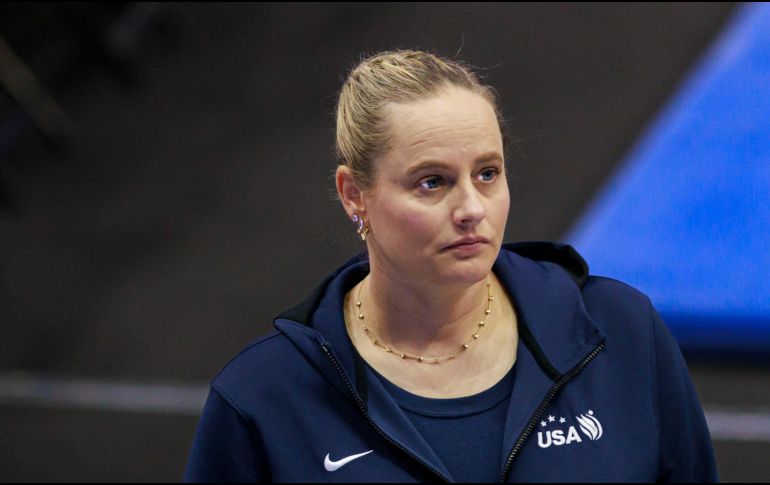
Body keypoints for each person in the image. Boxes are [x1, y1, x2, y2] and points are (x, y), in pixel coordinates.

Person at [183, 50, 718, 482]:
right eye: (432, 182)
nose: (471, 210)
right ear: (355, 195)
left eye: (487, 173)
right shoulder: (264, 397)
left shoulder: (621, 333)